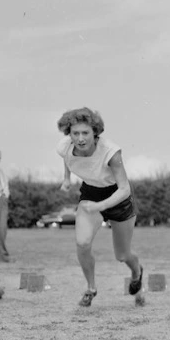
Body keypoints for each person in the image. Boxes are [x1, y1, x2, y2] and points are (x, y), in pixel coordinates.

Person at [56, 107, 143, 307]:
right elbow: (67, 158)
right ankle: (91, 288)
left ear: (95, 132)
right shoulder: (64, 146)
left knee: (122, 255)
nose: (80, 138)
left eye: (85, 133)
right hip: (90, 193)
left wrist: (101, 206)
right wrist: (66, 179)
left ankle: (137, 271)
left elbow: (124, 189)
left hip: (118, 198)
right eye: (75, 133)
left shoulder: (111, 152)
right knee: (82, 243)